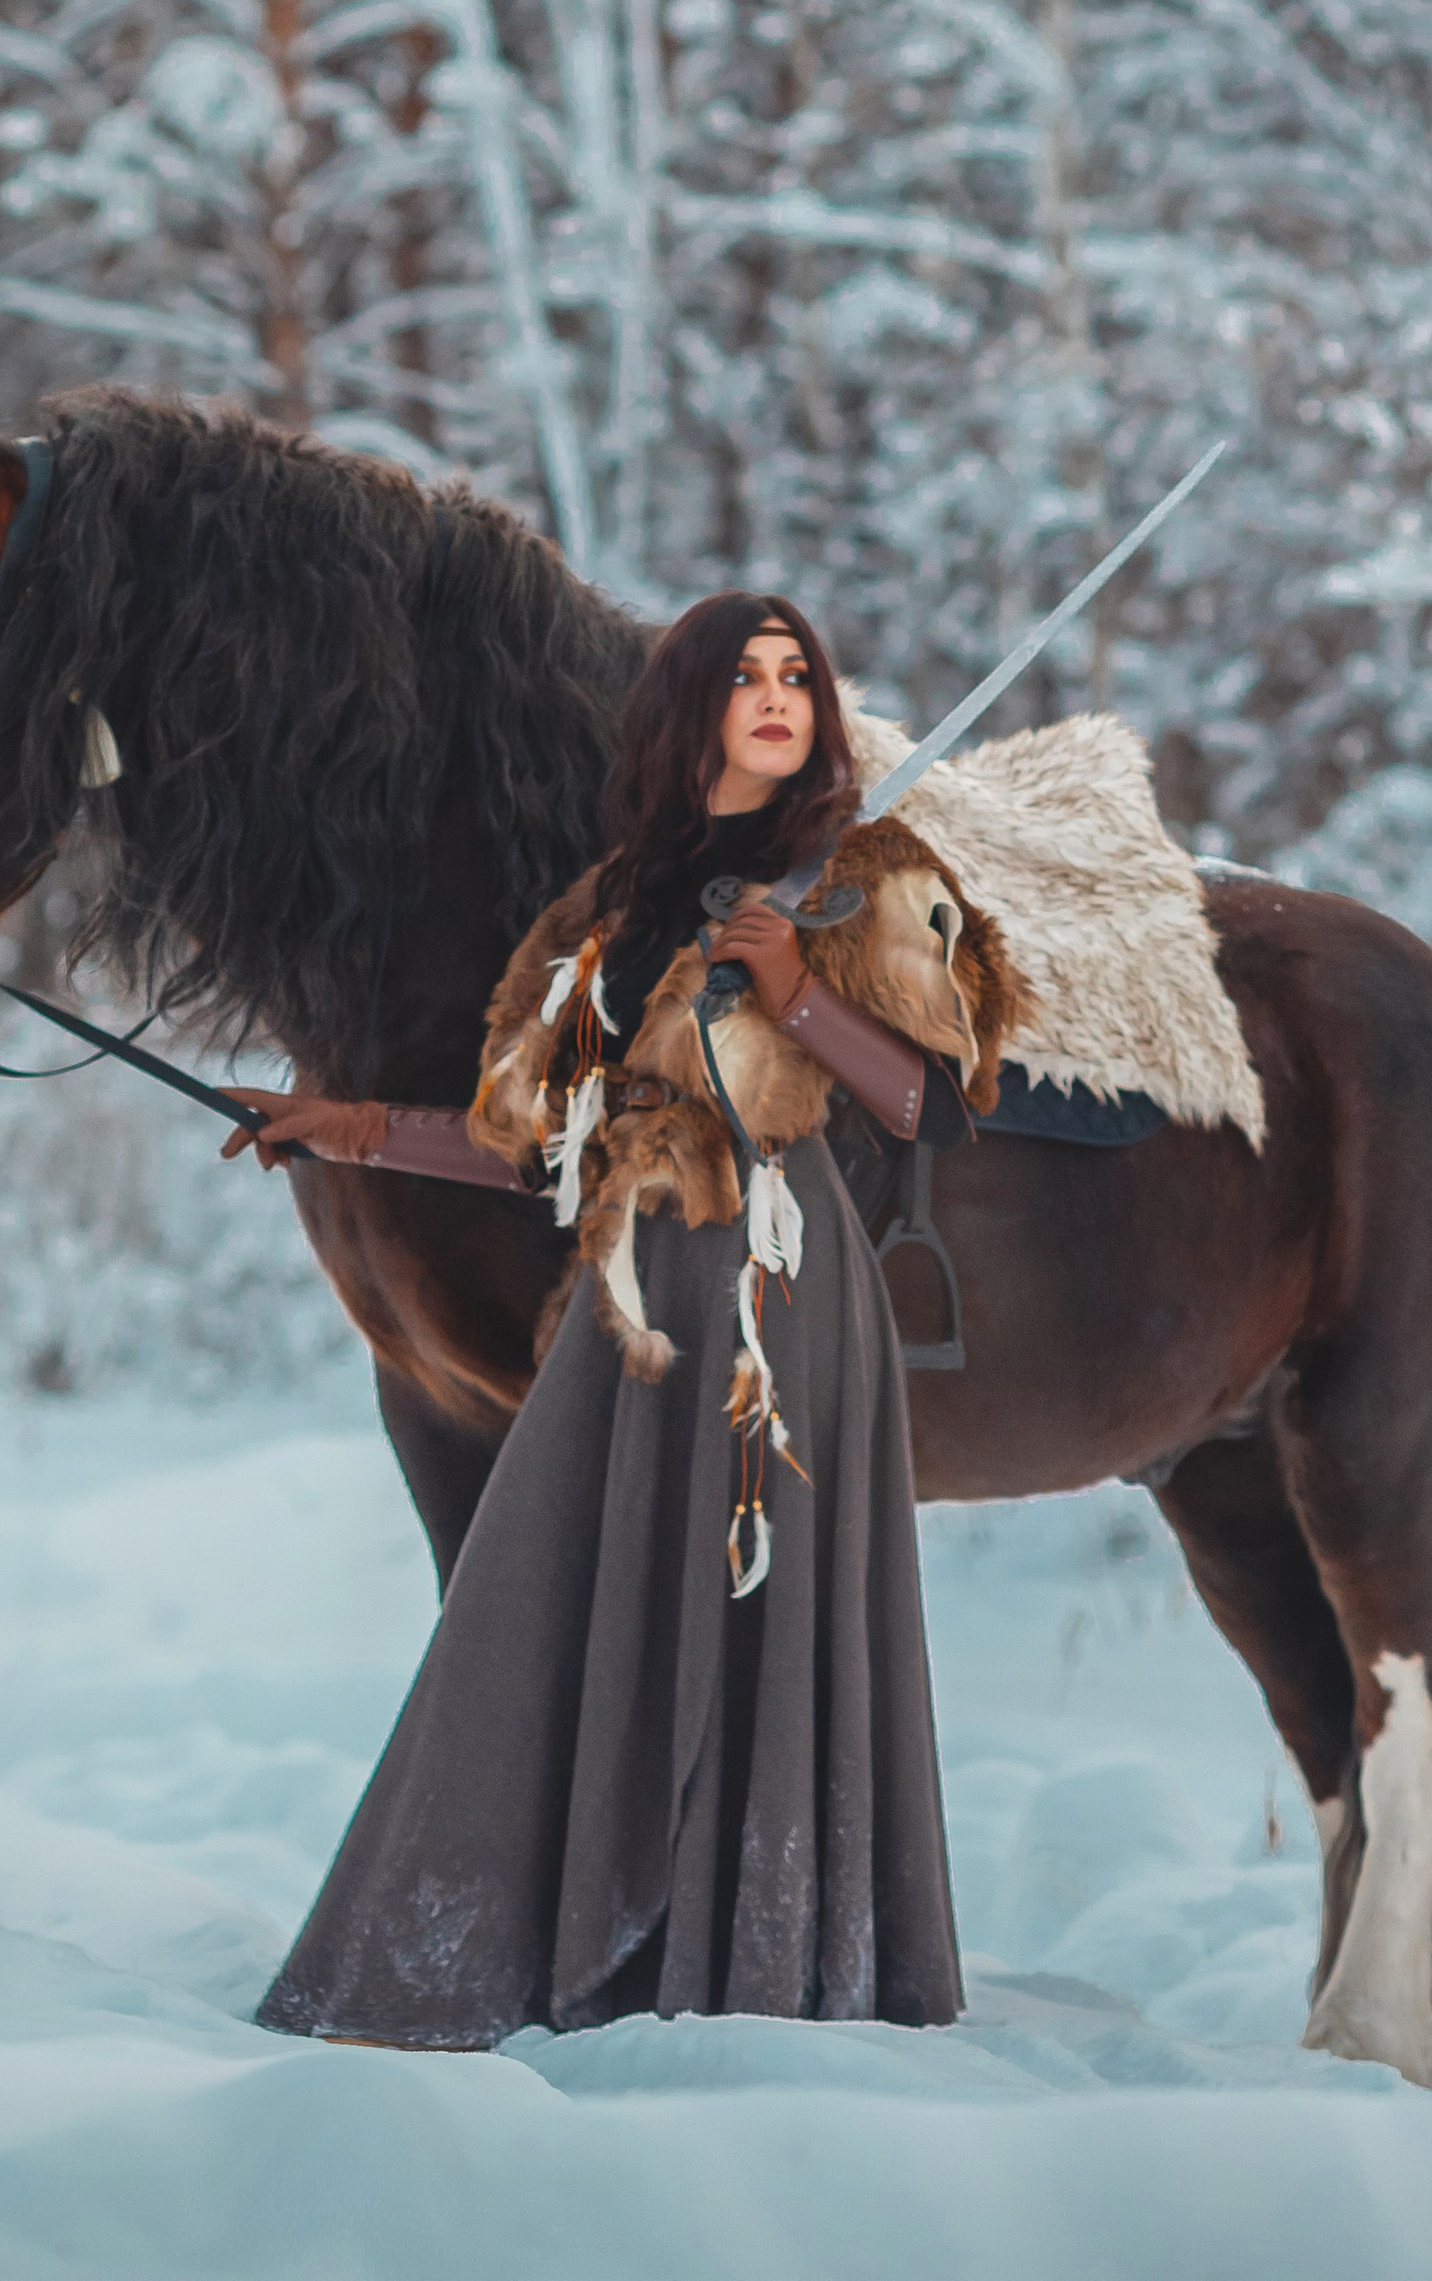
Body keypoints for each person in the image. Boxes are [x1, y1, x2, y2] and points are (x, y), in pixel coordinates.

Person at [233, 592, 967, 2049]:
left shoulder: (861, 877)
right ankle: (558, 1947)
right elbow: (539, 1143)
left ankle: (756, 1962)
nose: (776, 699)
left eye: (797, 677)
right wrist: (353, 1126)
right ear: (682, 710)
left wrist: (799, 994)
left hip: (782, 1282)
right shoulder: (611, 907)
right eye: (743, 677)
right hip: (633, 1294)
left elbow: (929, 1103)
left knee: (758, 1617)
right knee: (539, 1602)